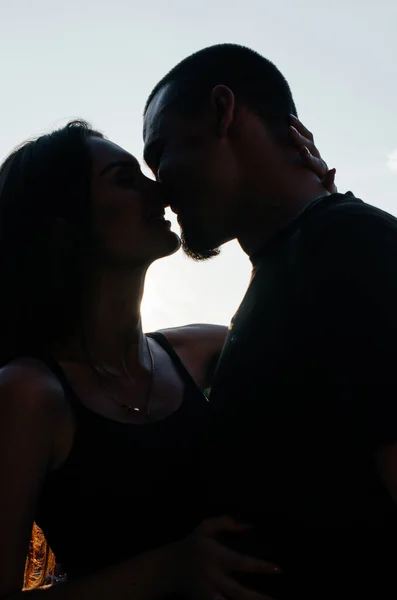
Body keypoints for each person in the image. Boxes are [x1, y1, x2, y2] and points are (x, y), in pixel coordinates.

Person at [0, 118, 330, 599]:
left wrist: (319, 207)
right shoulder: (28, 394)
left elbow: (329, 328)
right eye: (124, 179)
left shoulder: (204, 352)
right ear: (64, 230)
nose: (160, 193)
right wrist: (166, 571)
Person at [143, 43, 397, 598]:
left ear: (222, 111)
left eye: (159, 153)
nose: (158, 187)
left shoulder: (348, 247)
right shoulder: (304, 264)